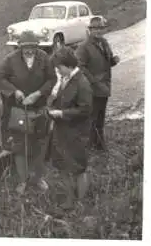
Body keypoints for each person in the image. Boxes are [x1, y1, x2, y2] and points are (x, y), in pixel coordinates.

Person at [0, 30, 56, 195]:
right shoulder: (10, 60)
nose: (29, 51)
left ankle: (38, 178)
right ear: (19, 47)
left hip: (39, 109)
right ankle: (23, 180)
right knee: (20, 146)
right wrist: (15, 91)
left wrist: (39, 93)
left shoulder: (45, 58)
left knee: (40, 144)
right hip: (19, 111)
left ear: (37, 46)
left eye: (32, 47)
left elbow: (52, 79)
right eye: (25, 47)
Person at [47, 46, 93, 209]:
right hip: (63, 131)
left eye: (59, 68)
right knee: (63, 166)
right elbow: (61, 98)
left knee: (78, 167)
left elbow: (85, 110)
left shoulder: (82, 82)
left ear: (68, 65)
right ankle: (70, 199)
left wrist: (62, 113)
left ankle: (81, 202)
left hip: (77, 132)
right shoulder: (66, 79)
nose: (58, 72)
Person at [75, 16, 120, 151]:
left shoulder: (104, 42)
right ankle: (89, 147)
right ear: (90, 30)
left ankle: (99, 144)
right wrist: (94, 82)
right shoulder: (83, 47)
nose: (99, 31)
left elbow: (107, 61)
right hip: (92, 89)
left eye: (101, 28)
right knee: (92, 118)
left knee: (100, 117)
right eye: (95, 29)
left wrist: (113, 60)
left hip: (104, 87)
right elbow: (80, 68)